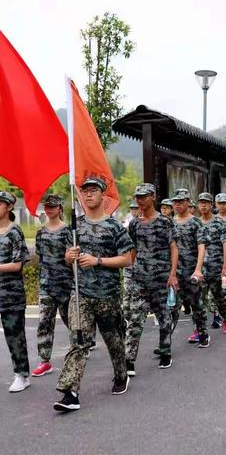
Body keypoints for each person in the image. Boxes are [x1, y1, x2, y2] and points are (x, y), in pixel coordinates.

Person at [54, 176, 134, 412]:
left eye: (93, 190)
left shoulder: (115, 227)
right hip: (80, 294)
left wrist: (98, 261)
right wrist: (69, 257)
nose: (88, 194)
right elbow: (67, 257)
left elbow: (128, 259)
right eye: (85, 191)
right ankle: (70, 392)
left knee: (114, 342)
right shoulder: (75, 227)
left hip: (107, 295)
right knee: (78, 341)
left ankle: (121, 375)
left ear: (102, 195)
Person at [125, 183, 178, 375]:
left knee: (164, 318)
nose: (139, 200)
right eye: (137, 197)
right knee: (135, 320)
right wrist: (129, 272)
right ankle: (129, 361)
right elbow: (132, 250)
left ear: (153, 197)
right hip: (139, 280)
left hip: (161, 279)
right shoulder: (134, 224)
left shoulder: (165, 222)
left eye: (143, 196)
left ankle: (165, 352)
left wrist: (172, 274)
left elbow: (173, 247)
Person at [32, 195, 71, 377]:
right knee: (44, 322)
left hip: (65, 283)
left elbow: (71, 257)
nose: (49, 209)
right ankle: (44, 360)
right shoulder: (41, 232)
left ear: (60, 209)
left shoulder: (67, 231)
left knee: (70, 319)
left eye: (53, 207)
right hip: (46, 284)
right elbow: (40, 256)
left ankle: (80, 347)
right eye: (47, 206)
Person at [0, 191, 31, 392]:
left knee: (14, 335)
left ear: (10, 207)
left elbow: (17, 265)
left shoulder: (14, 232)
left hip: (11, 294)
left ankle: (22, 375)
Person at [171, 189, 209, 347]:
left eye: (181, 201)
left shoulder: (195, 222)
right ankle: (165, 343)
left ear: (188, 202)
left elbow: (202, 247)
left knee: (196, 305)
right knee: (171, 307)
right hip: (175, 273)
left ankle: (202, 333)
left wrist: (198, 269)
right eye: (175, 202)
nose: (177, 204)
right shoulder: (170, 222)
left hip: (191, 272)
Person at [198, 193, 226, 334]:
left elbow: (225, 244)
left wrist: (225, 267)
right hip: (200, 269)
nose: (203, 205)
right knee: (198, 300)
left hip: (215, 266)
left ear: (212, 205)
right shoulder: (196, 222)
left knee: (220, 297)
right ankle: (199, 330)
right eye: (201, 202)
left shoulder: (219, 223)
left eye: (206, 202)